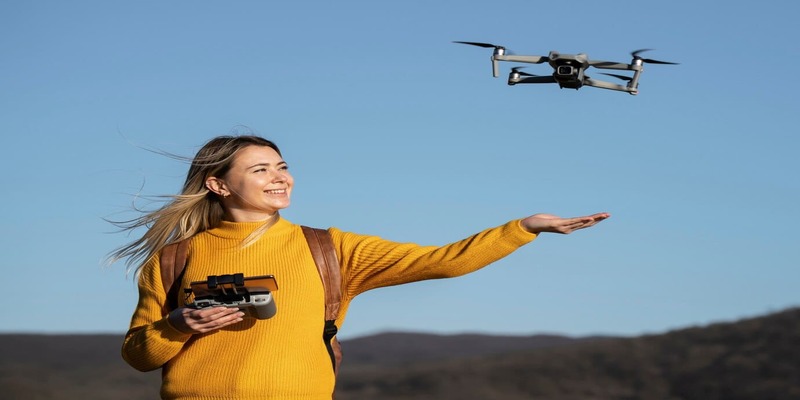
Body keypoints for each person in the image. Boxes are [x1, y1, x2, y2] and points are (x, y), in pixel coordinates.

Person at [111, 135, 609, 399]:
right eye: (260, 170)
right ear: (219, 185)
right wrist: (178, 324)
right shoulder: (175, 258)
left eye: (282, 165)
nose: (280, 178)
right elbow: (138, 354)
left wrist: (522, 228)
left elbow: (442, 262)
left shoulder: (331, 249)